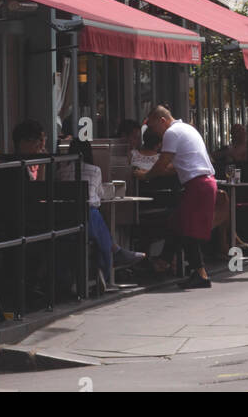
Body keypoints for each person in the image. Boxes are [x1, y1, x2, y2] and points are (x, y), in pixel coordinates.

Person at [136, 105, 217, 289]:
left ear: (162, 120)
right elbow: (175, 167)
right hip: (203, 183)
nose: (156, 134)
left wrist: (145, 176)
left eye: (155, 128)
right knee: (177, 222)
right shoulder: (187, 128)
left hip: (198, 185)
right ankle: (163, 262)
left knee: (188, 231)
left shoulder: (172, 133)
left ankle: (200, 274)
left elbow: (163, 162)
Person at [58, 139, 145, 278]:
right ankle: (113, 256)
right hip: (88, 219)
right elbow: (100, 194)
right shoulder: (95, 170)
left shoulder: (62, 171)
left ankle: (114, 253)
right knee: (96, 215)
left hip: (66, 220)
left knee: (96, 221)